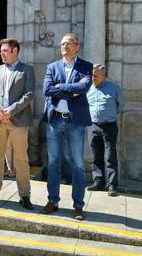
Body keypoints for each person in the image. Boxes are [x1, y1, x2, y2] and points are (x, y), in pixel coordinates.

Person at [0, 38, 35, 210]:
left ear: (15, 51)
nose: (1, 53)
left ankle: (24, 195)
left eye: (5, 50)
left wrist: (10, 111)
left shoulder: (27, 70)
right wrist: (0, 111)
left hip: (18, 120)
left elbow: (29, 94)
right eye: (1, 50)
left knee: (21, 159)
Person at [42, 33, 93, 220]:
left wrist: (60, 86)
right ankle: (52, 200)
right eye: (62, 44)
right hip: (55, 120)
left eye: (69, 43)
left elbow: (84, 87)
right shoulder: (52, 67)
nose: (65, 46)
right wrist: (71, 90)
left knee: (78, 164)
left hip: (75, 122)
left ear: (77, 46)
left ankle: (78, 205)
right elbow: (47, 90)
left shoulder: (86, 66)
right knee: (53, 162)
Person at [86, 64, 125, 197]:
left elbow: (121, 105)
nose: (93, 78)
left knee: (109, 156)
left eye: (95, 75)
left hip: (109, 126)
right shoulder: (88, 88)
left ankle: (112, 184)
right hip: (92, 125)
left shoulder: (114, 88)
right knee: (96, 155)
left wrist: (108, 115)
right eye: (91, 75)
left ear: (103, 75)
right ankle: (98, 181)